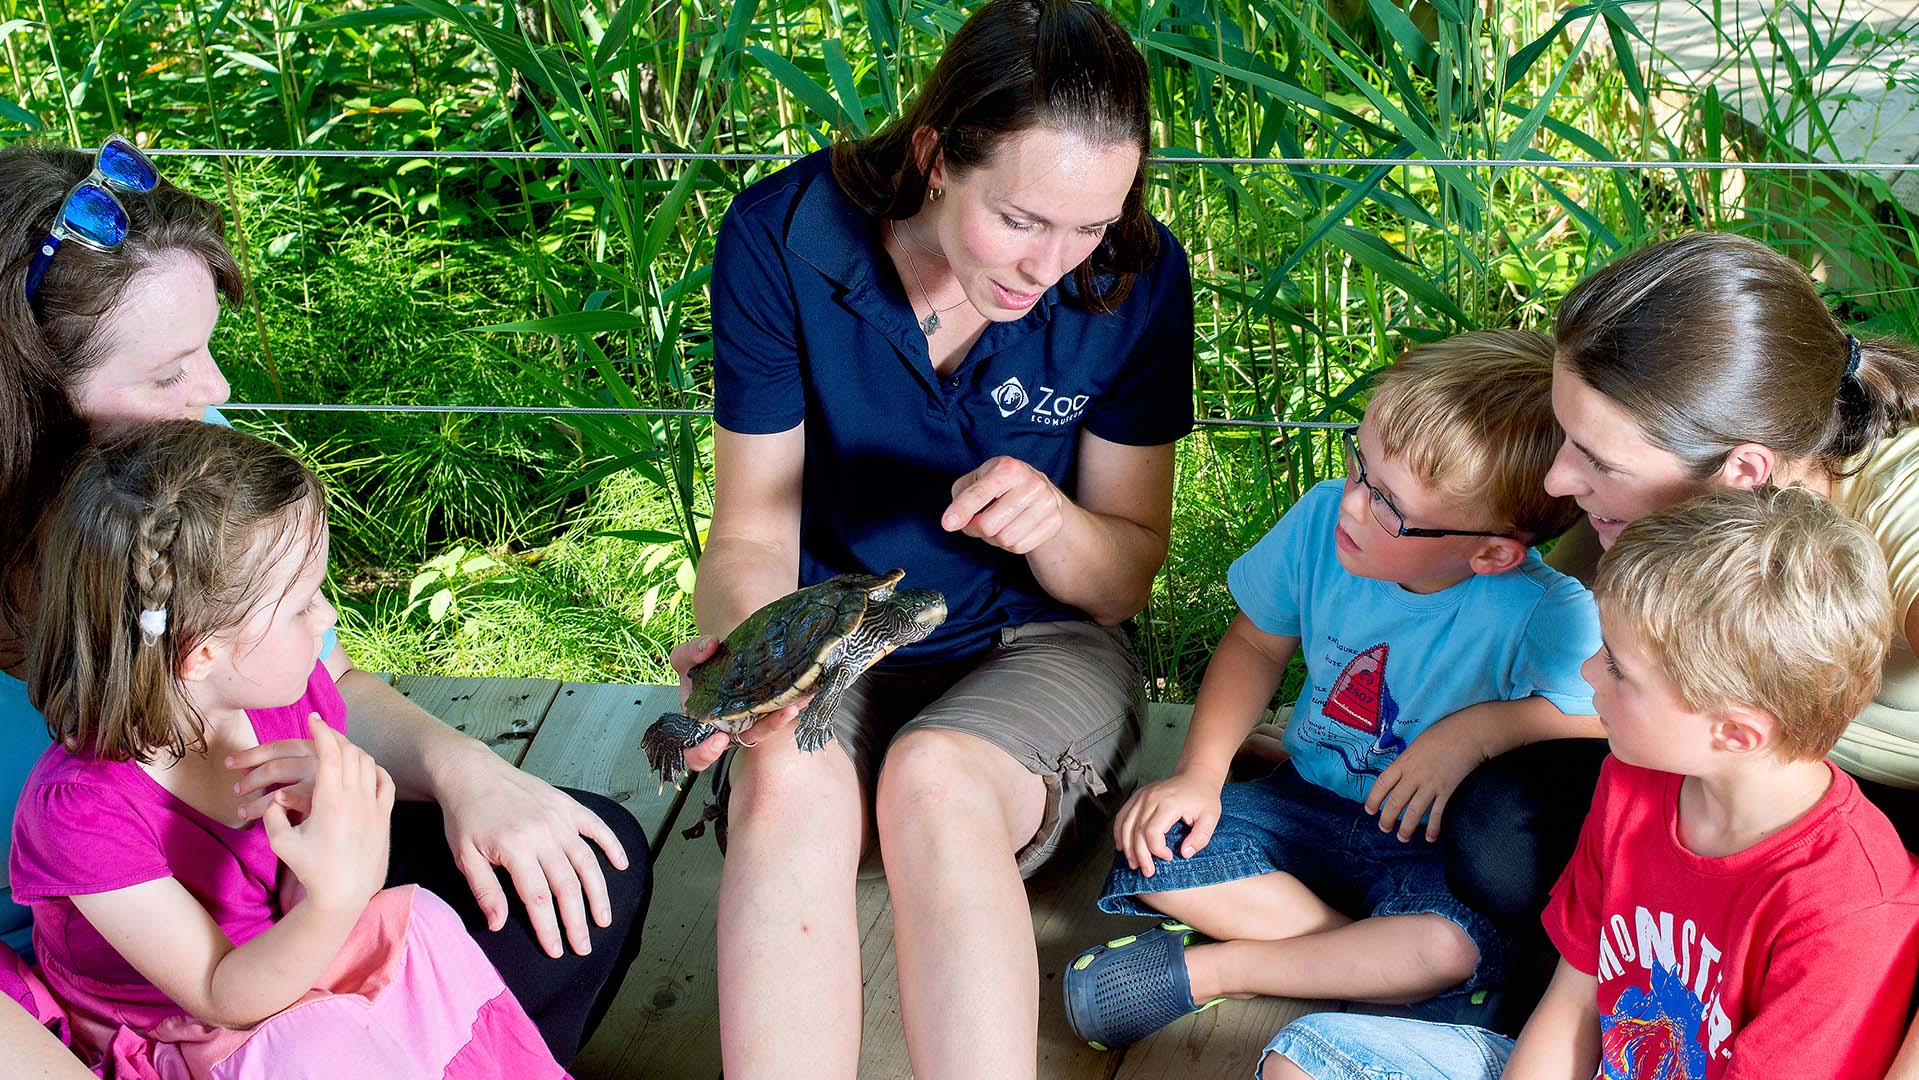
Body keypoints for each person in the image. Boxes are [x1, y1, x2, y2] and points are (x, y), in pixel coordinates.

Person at [0, 138, 649, 1065]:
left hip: (277, 893)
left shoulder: (185, 464)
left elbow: (325, 674)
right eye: (167, 371)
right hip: (106, 982)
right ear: (31, 395)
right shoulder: (77, 813)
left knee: (582, 869)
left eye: (208, 349)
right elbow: (211, 985)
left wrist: (467, 771)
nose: (215, 393)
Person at [666, 1, 1194, 1074]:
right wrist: (753, 662)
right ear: (935, 157)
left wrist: (1058, 525)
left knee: (933, 780)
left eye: (1089, 225)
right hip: (838, 627)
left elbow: (1123, 578)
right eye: (1022, 219)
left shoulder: (1135, 275)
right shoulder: (785, 235)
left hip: (1035, 646)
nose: (1053, 264)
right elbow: (752, 529)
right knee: (780, 772)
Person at [1419, 232, 1919, 1031]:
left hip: (1887, 819)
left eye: (1597, 458)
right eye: (1565, 437)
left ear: (1745, 471)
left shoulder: (1906, 505)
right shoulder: (1651, 509)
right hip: (1718, 778)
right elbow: (1587, 664)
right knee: (1500, 832)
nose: (1558, 480)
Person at [1262, 485, 1919, 1080]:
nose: (1588, 675)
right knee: (1307, 1055)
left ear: (1736, 733)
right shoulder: (1633, 784)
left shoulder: (1848, 910)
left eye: (1618, 668)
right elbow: (1575, 997)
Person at [1058, 332, 1601, 1050]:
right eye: (1359, 466)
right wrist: (1200, 771)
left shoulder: (1546, 612)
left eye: (1389, 507)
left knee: (1449, 949)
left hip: (1426, 848)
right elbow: (1255, 644)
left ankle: (1225, 969)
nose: (1352, 505)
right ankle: (1362, 967)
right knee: (1156, 847)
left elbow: (1600, 727)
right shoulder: (1320, 522)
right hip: (1306, 799)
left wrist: (1478, 732)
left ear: (1492, 552)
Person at [11, 421, 567, 1077]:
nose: (328, 618)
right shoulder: (79, 814)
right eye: (303, 605)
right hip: (187, 1030)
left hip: (292, 954)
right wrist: (339, 891)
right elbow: (223, 995)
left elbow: (301, 903)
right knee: (320, 1048)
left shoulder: (288, 696)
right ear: (202, 653)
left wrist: (339, 816)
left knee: (422, 928)